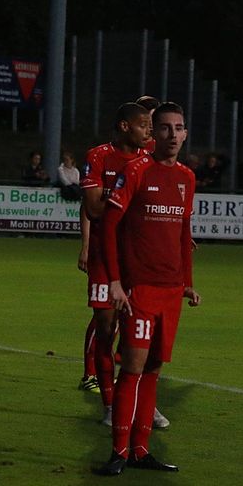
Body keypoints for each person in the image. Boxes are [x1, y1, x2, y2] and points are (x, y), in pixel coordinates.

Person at [97, 102, 202, 476]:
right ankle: (118, 452)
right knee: (133, 368)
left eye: (179, 128)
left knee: (154, 369)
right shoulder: (136, 170)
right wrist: (114, 281)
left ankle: (141, 450)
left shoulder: (187, 178)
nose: (172, 134)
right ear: (153, 133)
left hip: (171, 291)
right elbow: (109, 226)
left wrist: (187, 284)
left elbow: (184, 232)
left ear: (185, 134)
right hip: (139, 289)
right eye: (165, 128)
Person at [78, 103, 170, 429]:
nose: (149, 131)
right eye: (144, 124)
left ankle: (143, 402)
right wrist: (128, 197)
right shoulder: (99, 156)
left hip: (139, 259)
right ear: (125, 126)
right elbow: (93, 208)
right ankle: (109, 403)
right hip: (105, 256)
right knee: (106, 330)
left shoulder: (150, 159)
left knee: (143, 336)